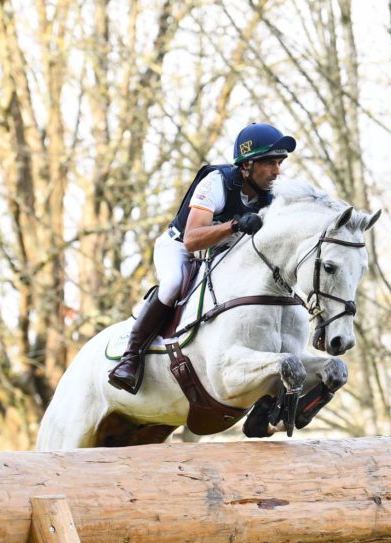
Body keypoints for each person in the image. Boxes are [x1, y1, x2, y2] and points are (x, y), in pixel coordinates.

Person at [107, 122, 297, 394]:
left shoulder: (272, 197)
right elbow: (192, 238)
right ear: (246, 166)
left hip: (222, 255)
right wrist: (234, 225)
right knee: (172, 283)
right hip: (181, 248)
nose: (277, 170)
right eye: (269, 162)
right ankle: (131, 357)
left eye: (279, 162)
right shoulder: (217, 182)